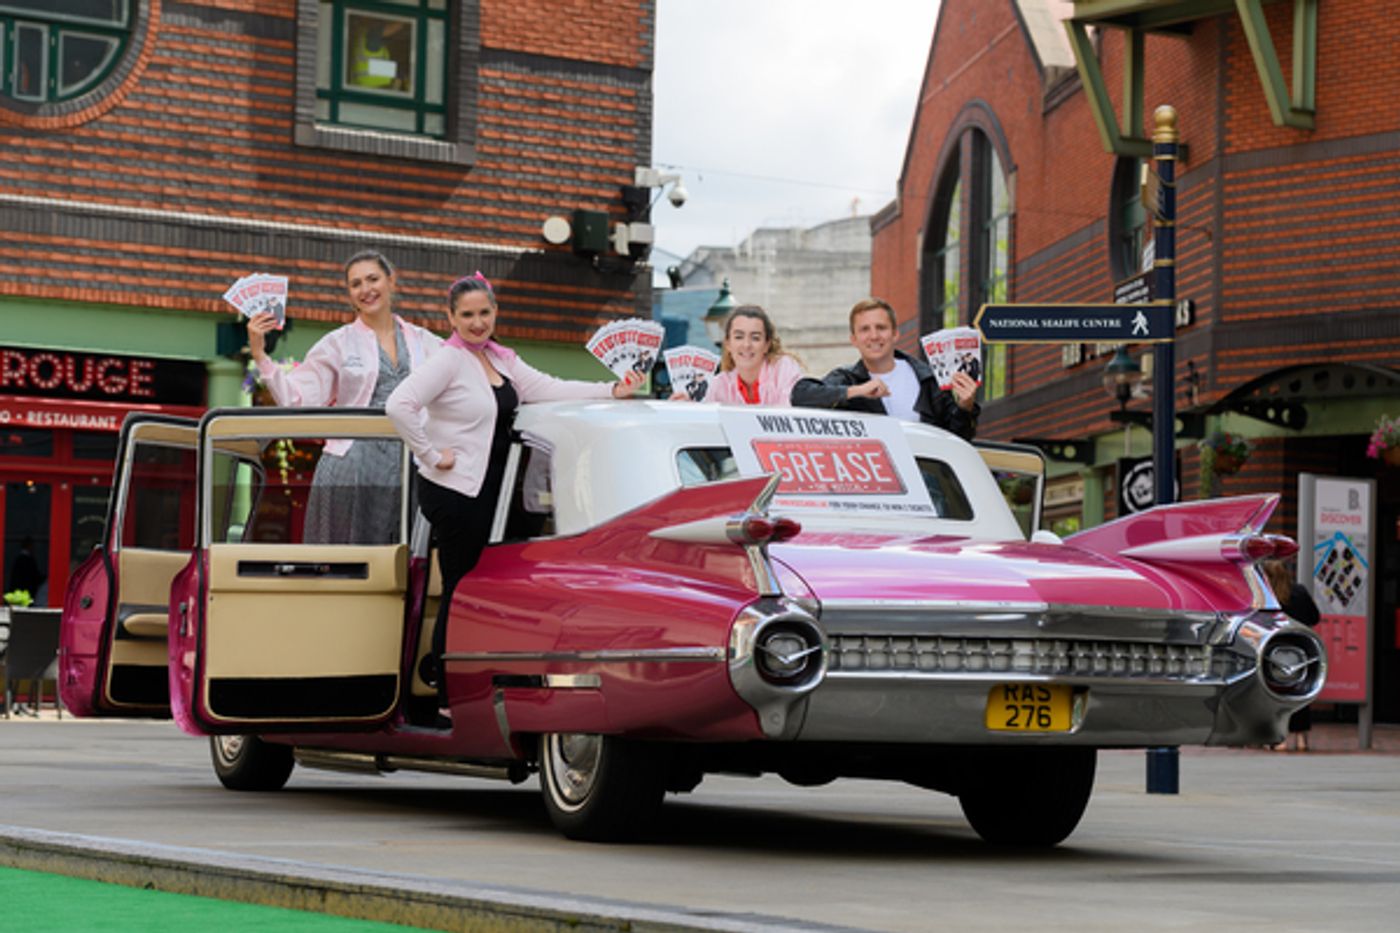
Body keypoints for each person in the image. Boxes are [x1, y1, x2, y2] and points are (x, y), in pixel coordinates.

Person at [385, 272, 641, 711]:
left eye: (484, 313)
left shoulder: (501, 359)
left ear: (495, 312)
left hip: (496, 493)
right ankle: (449, 696)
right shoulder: (447, 361)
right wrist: (429, 455)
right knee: (462, 588)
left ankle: (490, 683)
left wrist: (613, 391)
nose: (477, 322)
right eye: (467, 315)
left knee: (492, 589)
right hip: (456, 492)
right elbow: (398, 405)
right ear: (451, 318)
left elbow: (549, 388)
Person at [246, 250, 443, 545]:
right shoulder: (337, 343)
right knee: (348, 564)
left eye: (373, 279)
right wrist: (261, 355)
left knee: (409, 561)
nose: (366, 290)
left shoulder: (424, 340)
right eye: (356, 284)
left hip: (411, 466)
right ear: (349, 294)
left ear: (391, 281)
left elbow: (458, 382)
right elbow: (297, 399)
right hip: (352, 466)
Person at [790, 298, 980, 439]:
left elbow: (958, 439)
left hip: (925, 482)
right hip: (873, 483)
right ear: (853, 340)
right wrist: (857, 391)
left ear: (895, 334)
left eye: (881, 328)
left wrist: (965, 407)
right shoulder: (847, 379)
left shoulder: (928, 378)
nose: (874, 336)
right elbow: (800, 395)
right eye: (865, 329)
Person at [678, 305, 804, 406]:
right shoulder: (720, 384)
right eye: (739, 337)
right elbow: (706, 424)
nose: (746, 345)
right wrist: (687, 407)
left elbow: (788, 416)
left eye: (755, 338)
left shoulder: (784, 368)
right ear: (727, 344)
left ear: (766, 345)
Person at [1263, 559, 1321, 751]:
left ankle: (1280, 738)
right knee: (1301, 691)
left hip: (1273, 651)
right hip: (1301, 650)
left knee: (1274, 693)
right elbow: (1315, 617)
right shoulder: (1300, 592)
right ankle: (1302, 739)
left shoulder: (1267, 596)